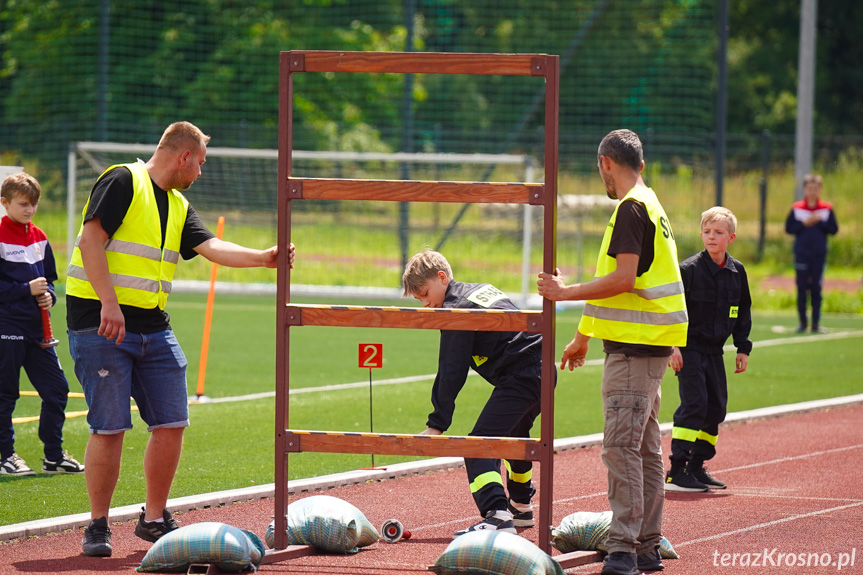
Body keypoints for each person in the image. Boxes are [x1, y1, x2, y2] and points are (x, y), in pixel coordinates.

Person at [66, 121, 295, 557]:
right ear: (184, 156)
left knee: (172, 422)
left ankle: (153, 518)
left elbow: (211, 247)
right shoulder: (121, 180)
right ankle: (98, 525)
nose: (201, 173)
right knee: (110, 427)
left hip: (153, 325)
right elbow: (90, 241)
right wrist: (109, 304)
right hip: (100, 322)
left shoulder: (178, 203)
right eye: (201, 164)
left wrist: (264, 259)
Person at [537, 129, 687, 575]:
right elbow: (619, 282)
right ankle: (646, 545)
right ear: (639, 163)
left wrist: (563, 294)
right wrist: (584, 334)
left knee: (622, 448)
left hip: (635, 350)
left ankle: (624, 549)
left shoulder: (629, 209)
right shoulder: (650, 203)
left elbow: (623, 279)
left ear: (605, 162)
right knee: (642, 449)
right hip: (650, 344)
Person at [402, 249, 548, 538]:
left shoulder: (455, 309)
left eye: (424, 293)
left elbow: (451, 370)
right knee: (515, 437)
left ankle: (496, 514)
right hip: (541, 369)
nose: (424, 303)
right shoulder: (478, 289)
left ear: (442, 278)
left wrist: (437, 423)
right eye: (418, 299)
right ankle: (520, 505)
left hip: (522, 376)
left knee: (478, 444)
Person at [0, 173, 85, 477]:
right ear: (4, 202)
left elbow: (48, 281)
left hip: (37, 329)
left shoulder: (40, 236)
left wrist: (48, 295)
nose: (29, 210)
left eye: (33, 204)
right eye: (23, 204)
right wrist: (26, 290)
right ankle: (5, 455)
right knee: (5, 393)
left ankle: (53, 456)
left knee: (57, 390)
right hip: (6, 326)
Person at [665, 207, 752, 493]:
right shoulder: (688, 270)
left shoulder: (737, 272)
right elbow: (672, 310)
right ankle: (677, 471)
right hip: (688, 349)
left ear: (731, 237)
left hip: (716, 351)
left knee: (715, 408)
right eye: (707, 232)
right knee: (695, 404)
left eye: (718, 233)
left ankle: (697, 466)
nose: (711, 237)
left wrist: (743, 347)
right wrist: (672, 346)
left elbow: (743, 311)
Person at [784, 174, 838, 333]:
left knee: (816, 288)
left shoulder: (827, 209)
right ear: (804, 189)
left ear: (820, 189)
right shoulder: (797, 208)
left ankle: (815, 323)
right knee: (802, 289)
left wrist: (819, 221)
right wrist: (804, 223)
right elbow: (789, 228)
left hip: (818, 255)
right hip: (802, 254)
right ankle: (802, 323)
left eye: (816, 188)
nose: (813, 191)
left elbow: (833, 230)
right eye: (809, 188)